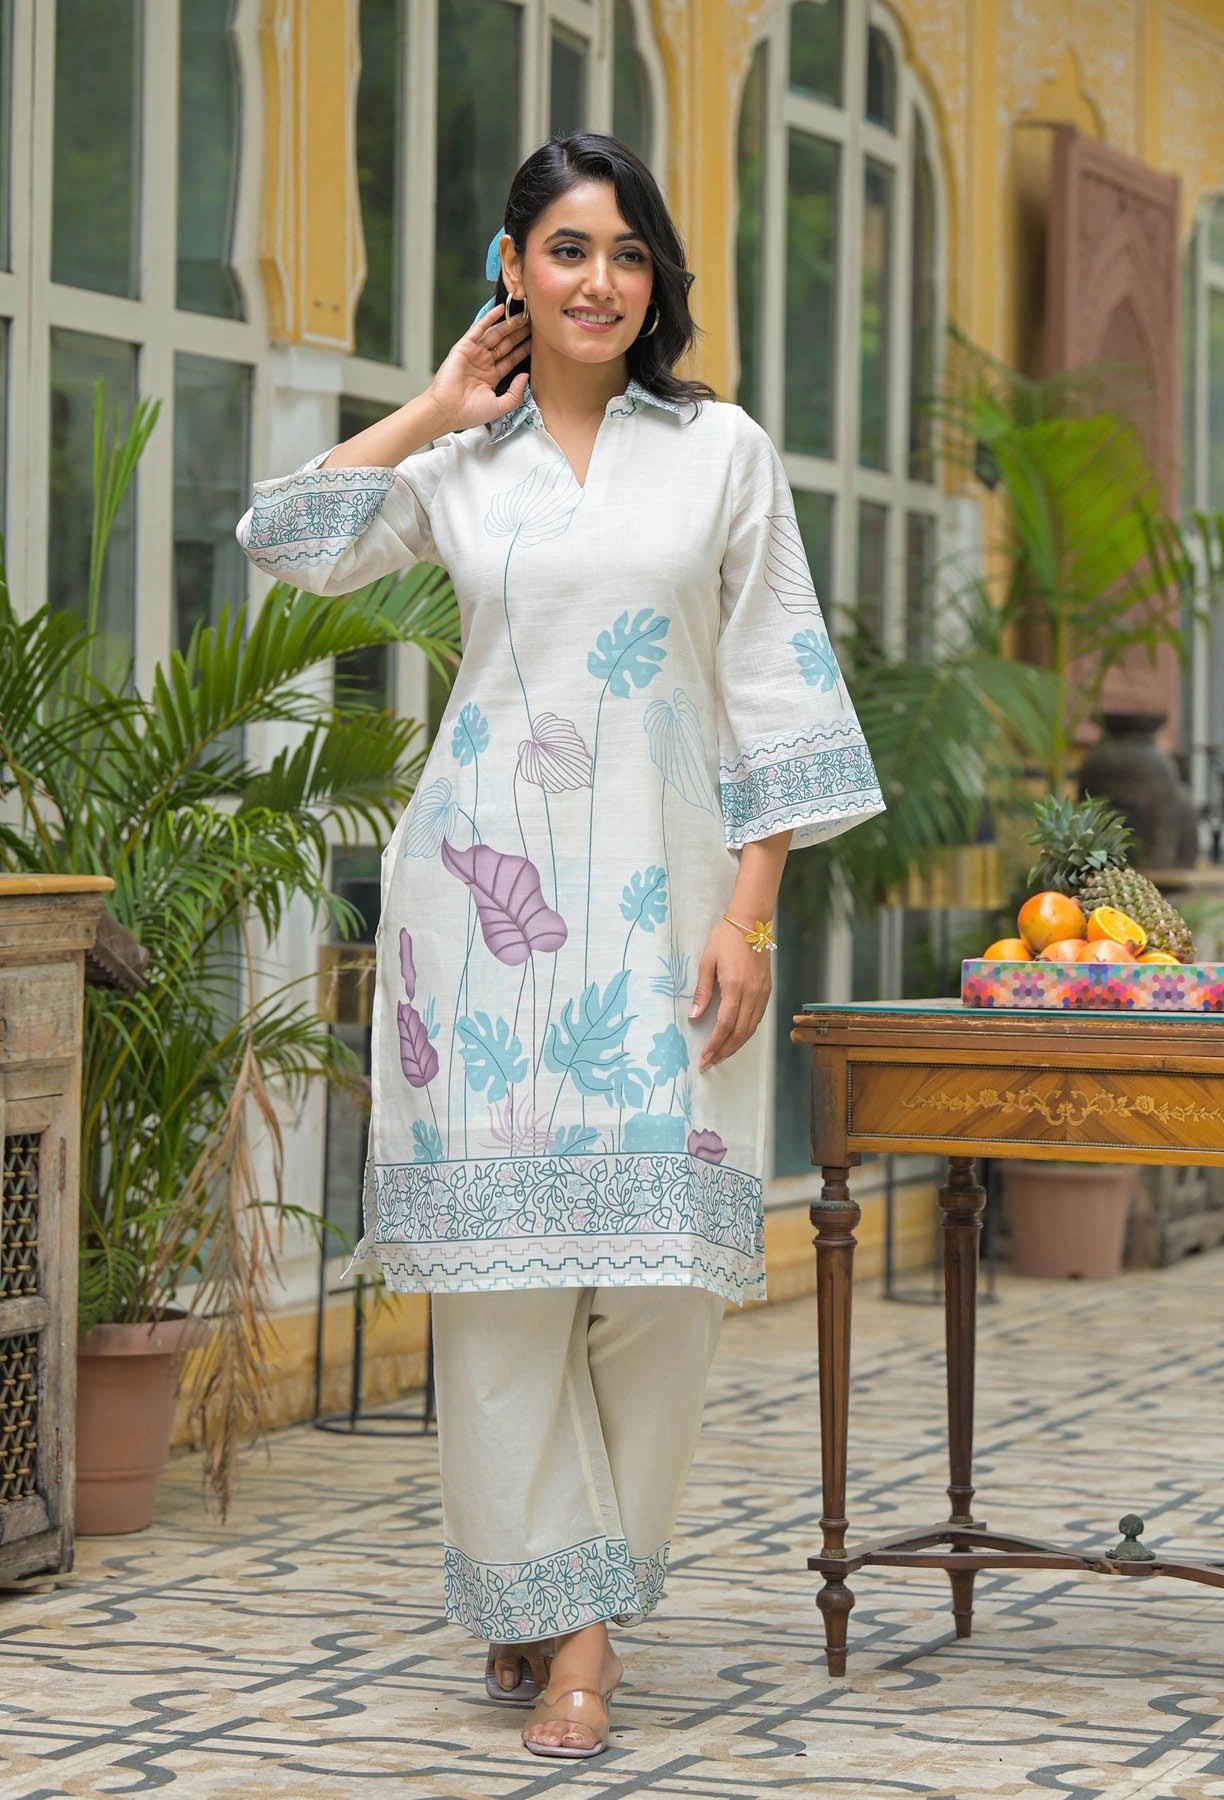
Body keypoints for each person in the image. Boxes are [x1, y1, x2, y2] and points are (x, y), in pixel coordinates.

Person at [237, 131, 883, 1761]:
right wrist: (437, 412)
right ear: (514, 271)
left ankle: (564, 1581)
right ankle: (570, 1628)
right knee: (504, 1288)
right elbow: (280, 540)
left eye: (628, 253)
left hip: (673, 920)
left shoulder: (719, 452)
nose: (602, 280)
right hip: (480, 915)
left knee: (659, 1285)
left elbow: (782, 695)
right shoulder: (465, 467)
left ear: (657, 281)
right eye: (569, 250)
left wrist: (753, 916)